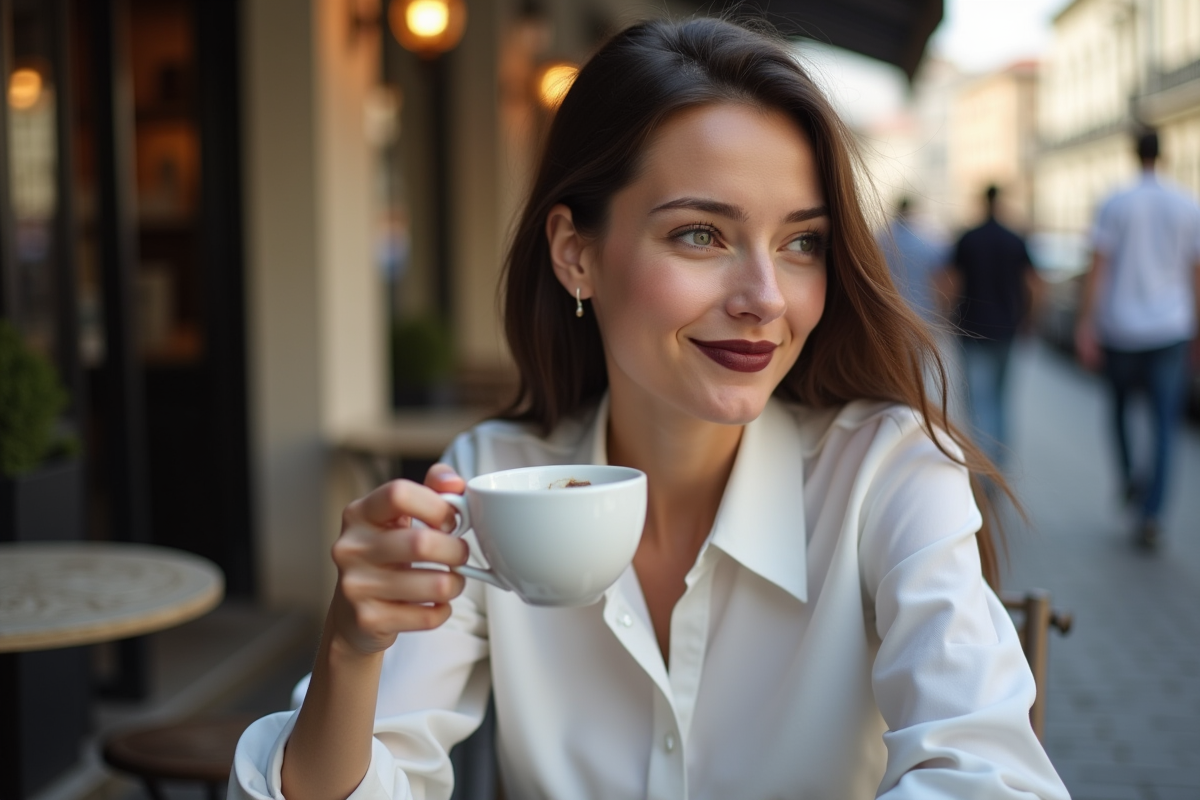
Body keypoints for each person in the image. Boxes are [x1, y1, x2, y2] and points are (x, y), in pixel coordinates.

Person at [232, 19, 1068, 800]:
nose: (765, 300)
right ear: (576, 255)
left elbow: (988, 773)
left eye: (802, 242)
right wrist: (350, 649)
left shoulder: (887, 473)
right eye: (701, 234)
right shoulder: (497, 479)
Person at [1075, 129, 1200, 550]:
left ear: (1134, 154)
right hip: (1171, 328)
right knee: (1165, 423)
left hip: (1121, 329)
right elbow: (1195, 273)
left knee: (1119, 412)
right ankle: (1153, 513)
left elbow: (1098, 267)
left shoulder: (1114, 202)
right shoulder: (1187, 203)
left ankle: (1131, 482)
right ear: (1163, 155)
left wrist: (1086, 323)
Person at [941, 185, 1039, 468]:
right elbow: (1034, 285)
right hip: (1006, 329)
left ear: (983, 202)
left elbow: (951, 281)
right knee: (1001, 397)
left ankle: (984, 463)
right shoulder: (1014, 239)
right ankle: (998, 461)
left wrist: (947, 317)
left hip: (971, 329)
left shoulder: (969, 238)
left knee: (976, 401)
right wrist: (1029, 318)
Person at [878, 197, 947, 324]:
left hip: (890, 306)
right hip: (922, 306)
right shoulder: (925, 240)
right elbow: (940, 273)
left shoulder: (881, 239)